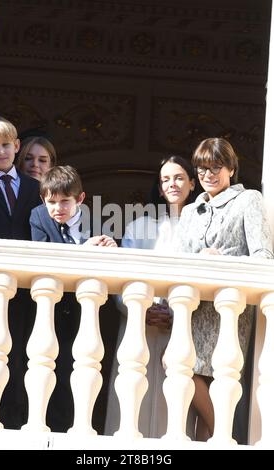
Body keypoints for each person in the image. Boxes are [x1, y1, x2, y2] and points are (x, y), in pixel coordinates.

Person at [174, 137, 273, 441]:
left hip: (226, 309)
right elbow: (178, 259)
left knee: (207, 376)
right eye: (202, 169)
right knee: (181, 366)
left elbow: (263, 256)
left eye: (216, 167)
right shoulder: (190, 211)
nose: (208, 175)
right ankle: (219, 440)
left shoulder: (249, 200)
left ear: (231, 168)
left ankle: (222, 437)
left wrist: (223, 260)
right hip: (192, 307)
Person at [104, 155, 197, 438]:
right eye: (166, 179)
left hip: (183, 327)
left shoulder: (202, 228)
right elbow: (122, 282)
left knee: (177, 402)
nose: (172, 184)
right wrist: (142, 312)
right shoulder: (139, 227)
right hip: (139, 326)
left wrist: (178, 313)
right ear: (158, 188)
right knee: (134, 401)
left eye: (179, 177)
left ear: (192, 184)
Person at [30, 165, 117, 432]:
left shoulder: (100, 220)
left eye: (65, 201)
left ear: (80, 199)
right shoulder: (38, 217)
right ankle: (50, 427)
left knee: (83, 371)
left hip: (87, 313)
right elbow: (41, 256)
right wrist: (81, 251)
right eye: (51, 202)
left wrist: (112, 248)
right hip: (52, 311)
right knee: (48, 370)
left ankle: (81, 426)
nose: (57, 208)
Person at [0, 115, 42, 429]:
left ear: (16, 146)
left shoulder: (36, 188)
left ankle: (15, 422)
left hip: (27, 290)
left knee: (23, 355)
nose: (0, 152)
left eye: (5, 145)